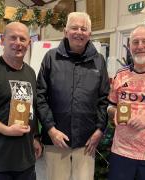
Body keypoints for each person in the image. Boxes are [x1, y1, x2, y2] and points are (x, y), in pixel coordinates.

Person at [36, 12, 110, 180]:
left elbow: (103, 99)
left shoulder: (98, 61)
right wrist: (51, 129)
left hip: (87, 141)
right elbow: (40, 96)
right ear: (65, 31)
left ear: (90, 34)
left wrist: (99, 130)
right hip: (56, 140)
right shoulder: (50, 58)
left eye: (84, 29)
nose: (79, 32)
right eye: (74, 28)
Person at [107, 24, 145, 180]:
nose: (140, 46)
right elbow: (110, 105)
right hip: (121, 152)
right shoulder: (121, 75)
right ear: (129, 46)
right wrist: (113, 113)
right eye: (135, 42)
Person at [0, 22, 42, 180]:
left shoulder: (30, 72)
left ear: (29, 43)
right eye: (13, 38)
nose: (18, 43)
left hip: (26, 162)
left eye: (22, 39)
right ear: (2, 40)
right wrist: (6, 130)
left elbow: (30, 108)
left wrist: (34, 137)